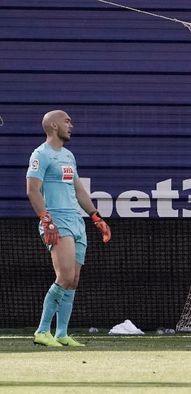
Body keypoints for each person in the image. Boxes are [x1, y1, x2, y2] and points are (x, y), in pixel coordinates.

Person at [26, 110, 111, 347]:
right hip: (57, 220)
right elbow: (32, 190)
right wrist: (46, 219)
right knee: (64, 277)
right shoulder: (40, 155)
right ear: (53, 125)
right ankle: (42, 331)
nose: (71, 125)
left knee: (73, 280)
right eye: (67, 121)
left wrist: (95, 216)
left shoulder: (68, 156)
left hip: (76, 220)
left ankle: (61, 333)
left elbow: (78, 190)